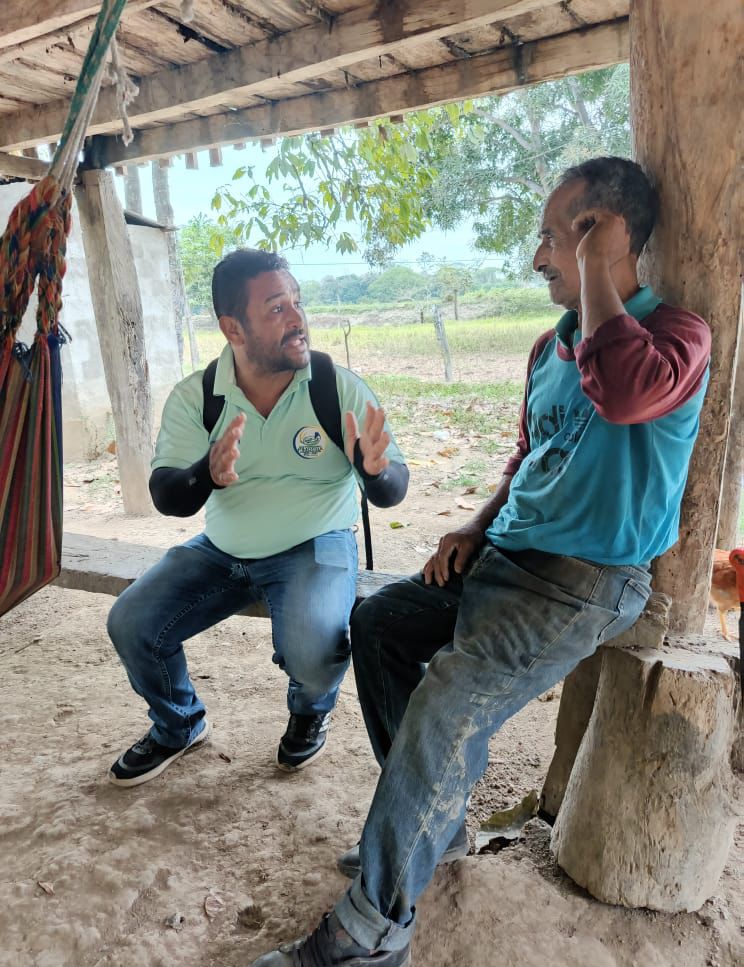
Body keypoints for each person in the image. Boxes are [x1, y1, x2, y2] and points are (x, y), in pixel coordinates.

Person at [249, 156, 711, 966]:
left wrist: (596, 267)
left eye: (554, 238)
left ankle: (368, 933)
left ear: (603, 235)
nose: (537, 258)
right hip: (505, 555)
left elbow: (624, 393)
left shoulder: (676, 336)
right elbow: (529, 458)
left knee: (450, 697)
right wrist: (472, 525)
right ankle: (439, 825)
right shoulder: (548, 348)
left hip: (583, 579)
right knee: (379, 624)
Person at [107, 249, 408, 787]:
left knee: (315, 646)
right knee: (132, 622)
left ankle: (310, 710)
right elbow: (168, 496)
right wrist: (205, 472)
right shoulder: (199, 396)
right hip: (222, 551)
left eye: (297, 303)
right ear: (233, 328)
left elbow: (391, 490)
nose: (297, 318)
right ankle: (179, 724)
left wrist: (374, 472)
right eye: (276, 308)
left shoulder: (334, 387)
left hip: (316, 543)